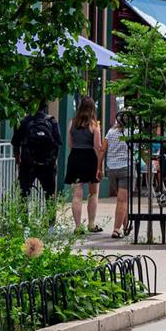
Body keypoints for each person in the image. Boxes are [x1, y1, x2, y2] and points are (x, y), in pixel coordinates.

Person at [65, 96, 104, 231]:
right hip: (90, 158)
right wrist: (99, 166)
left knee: (76, 195)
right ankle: (91, 224)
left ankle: (77, 226)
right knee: (93, 193)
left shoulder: (72, 123)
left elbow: (69, 144)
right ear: (93, 108)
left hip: (75, 157)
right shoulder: (94, 125)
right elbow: (97, 146)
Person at [11, 102, 61, 199]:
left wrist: (18, 160)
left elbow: (15, 142)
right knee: (50, 196)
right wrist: (53, 159)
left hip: (28, 164)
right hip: (48, 164)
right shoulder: (52, 121)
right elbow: (58, 143)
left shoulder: (24, 121)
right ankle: (50, 214)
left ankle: (23, 214)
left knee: (24, 195)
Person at [103, 111, 133, 238]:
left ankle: (126, 226)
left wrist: (99, 168)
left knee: (122, 199)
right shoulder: (132, 132)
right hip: (125, 168)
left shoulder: (110, 132)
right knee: (122, 200)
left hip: (111, 170)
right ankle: (116, 229)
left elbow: (103, 149)